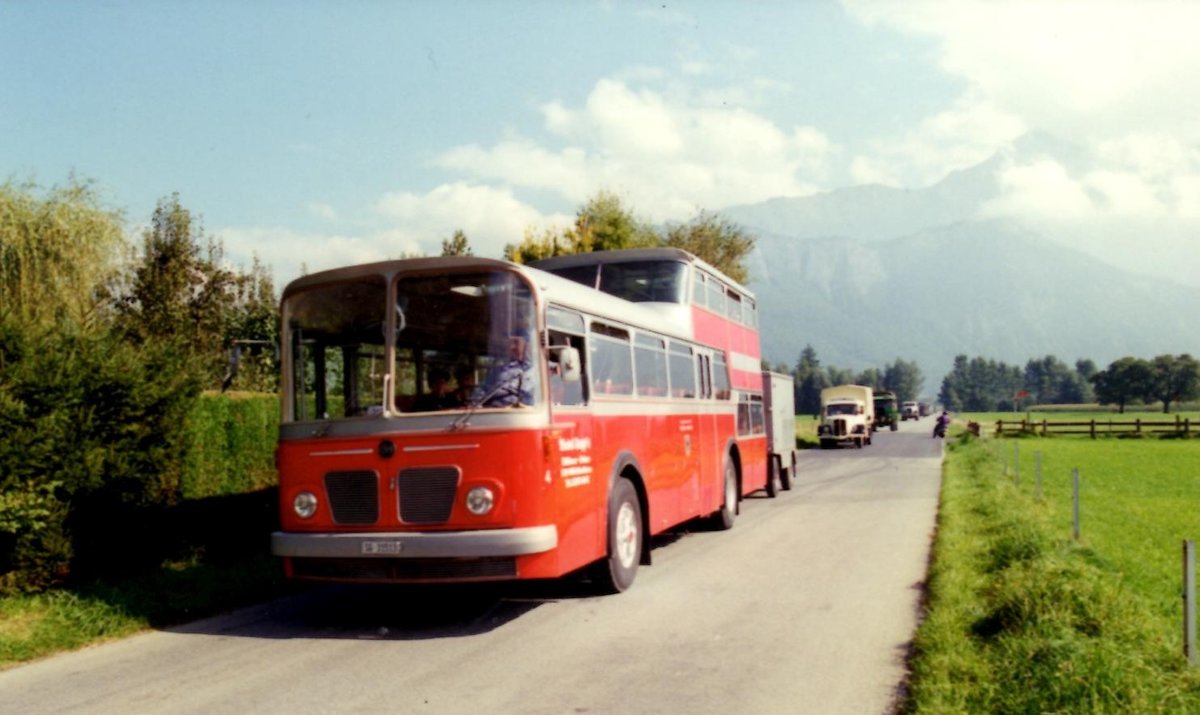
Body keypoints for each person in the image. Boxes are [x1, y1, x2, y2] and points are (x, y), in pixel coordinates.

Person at [481, 333, 537, 407]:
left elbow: (528, 394)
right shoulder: (499, 370)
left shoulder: (538, 370)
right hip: (493, 411)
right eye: (510, 344)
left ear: (528, 345)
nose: (512, 347)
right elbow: (483, 388)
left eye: (516, 343)